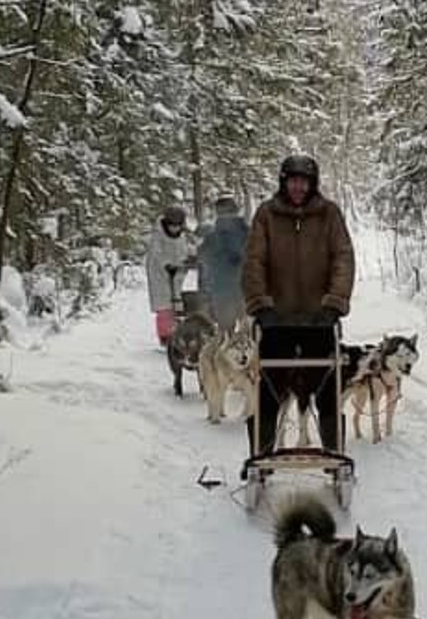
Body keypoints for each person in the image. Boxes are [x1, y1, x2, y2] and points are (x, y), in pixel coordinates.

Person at [241, 153, 355, 462]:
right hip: (276, 321)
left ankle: (334, 454)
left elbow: (342, 258)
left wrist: (335, 302)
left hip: (319, 321)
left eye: (304, 182)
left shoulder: (329, 215)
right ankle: (261, 457)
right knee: (268, 393)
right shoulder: (266, 215)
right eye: (292, 181)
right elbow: (253, 262)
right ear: (283, 182)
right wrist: (259, 303)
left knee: (328, 391)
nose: (298, 188)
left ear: (313, 184)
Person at [141, 204, 195, 345]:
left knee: (177, 303)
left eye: (178, 226)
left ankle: (178, 333)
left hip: (176, 272)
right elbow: (156, 254)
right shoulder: (158, 235)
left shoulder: (183, 234)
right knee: (164, 305)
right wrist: (166, 264)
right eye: (172, 225)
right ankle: (165, 337)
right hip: (160, 274)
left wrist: (191, 257)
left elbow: (185, 248)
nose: (175, 228)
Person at [195, 195, 249, 328]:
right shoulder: (249, 232)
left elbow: (202, 255)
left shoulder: (213, 236)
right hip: (245, 289)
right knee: (248, 330)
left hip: (222, 289)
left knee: (226, 330)